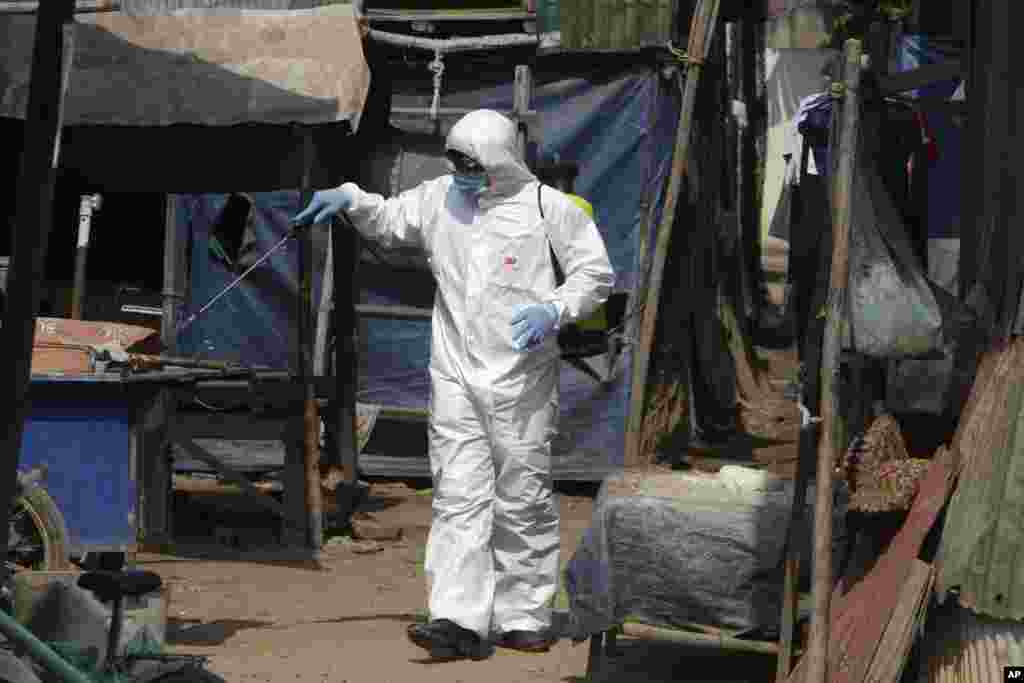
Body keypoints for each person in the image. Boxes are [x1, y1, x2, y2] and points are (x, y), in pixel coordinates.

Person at [292, 109, 615, 660]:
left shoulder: (547, 209)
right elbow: (392, 220)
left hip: (523, 379)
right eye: (457, 161)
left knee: (523, 494)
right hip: (457, 374)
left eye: (473, 163)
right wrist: (351, 197)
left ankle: (523, 614)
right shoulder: (440, 197)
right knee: (458, 495)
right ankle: (457, 619)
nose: (462, 172)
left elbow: (595, 274)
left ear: (500, 161)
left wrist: (553, 308)